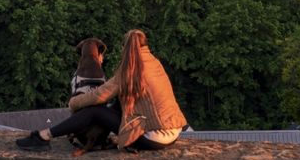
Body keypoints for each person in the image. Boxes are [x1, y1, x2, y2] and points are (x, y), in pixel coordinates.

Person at [15, 29, 187, 152]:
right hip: (173, 133)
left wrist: (74, 103)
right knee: (117, 104)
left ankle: (44, 136)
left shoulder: (130, 70)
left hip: (153, 138)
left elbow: (100, 95)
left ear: (125, 49)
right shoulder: (155, 63)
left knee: (94, 111)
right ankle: (90, 137)